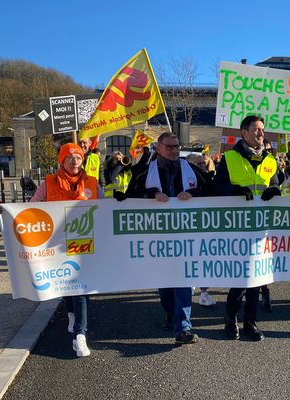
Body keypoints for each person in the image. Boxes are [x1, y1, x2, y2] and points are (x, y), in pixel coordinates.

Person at [118, 132, 207, 345]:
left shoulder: (191, 169)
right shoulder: (144, 172)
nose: (175, 150)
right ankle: (171, 313)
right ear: (159, 148)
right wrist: (151, 195)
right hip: (157, 239)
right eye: (170, 147)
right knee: (165, 283)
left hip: (186, 237)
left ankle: (184, 327)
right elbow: (131, 197)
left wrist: (193, 195)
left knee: (184, 280)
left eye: (177, 146)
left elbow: (211, 190)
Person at [31, 143, 104, 357]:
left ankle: (79, 332)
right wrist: (5, 211)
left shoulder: (92, 182)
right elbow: (31, 207)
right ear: (61, 160)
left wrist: (118, 202)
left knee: (81, 287)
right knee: (70, 285)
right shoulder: (48, 183)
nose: (74, 161)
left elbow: (104, 208)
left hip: (85, 242)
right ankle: (75, 322)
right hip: (57, 244)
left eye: (78, 158)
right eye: (69, 158)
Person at [213, 115, 281, 341]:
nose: (261, 133)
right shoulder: (230, 157)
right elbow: (218, 188)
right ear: (243, 132)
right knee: (241, 278)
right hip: (237, 226)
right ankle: (230, 318)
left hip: (262, 228)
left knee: (257, 278)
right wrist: (234, 191)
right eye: (256, 129)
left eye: (263, 130)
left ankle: (251, 323)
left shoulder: (271, 160)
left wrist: (275, 191)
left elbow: (274, 186)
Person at [186, 153, 216, 307]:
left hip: (207, 225)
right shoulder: (185, 178)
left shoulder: (210, 178)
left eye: (203, 163)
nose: (202, 166)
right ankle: (189, 287)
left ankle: (204, 293)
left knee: (207, 260)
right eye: (198, 164)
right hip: (189, 226)